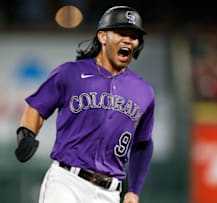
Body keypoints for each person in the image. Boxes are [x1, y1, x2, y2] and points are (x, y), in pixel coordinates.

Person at [14, 5, 155, 203]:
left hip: (109, 192)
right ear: (102, 37)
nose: (128, 40)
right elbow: (37, 107)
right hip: (67, 181)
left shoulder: (144, 91)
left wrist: (134, 190)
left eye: (133, 36)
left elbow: (143, 143)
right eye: (121, 32)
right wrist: (26, 133)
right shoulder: (71, 73)